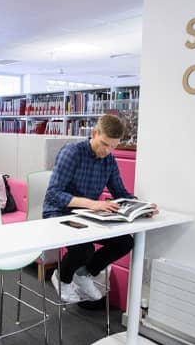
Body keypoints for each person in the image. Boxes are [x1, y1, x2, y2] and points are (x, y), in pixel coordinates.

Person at [43, 114, 157, 306]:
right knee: (85, 249)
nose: (107, 150)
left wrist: (141, 207)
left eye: (113, 146)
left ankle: (84, 274)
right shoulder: (72, 152)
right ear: (95, 133)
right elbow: (53, 194)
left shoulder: (109, 160)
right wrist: (93, 204)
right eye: (105, 144)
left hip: (85, 215)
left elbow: (120, 192)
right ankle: (62, 277)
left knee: (125, 242)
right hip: (58, 213)